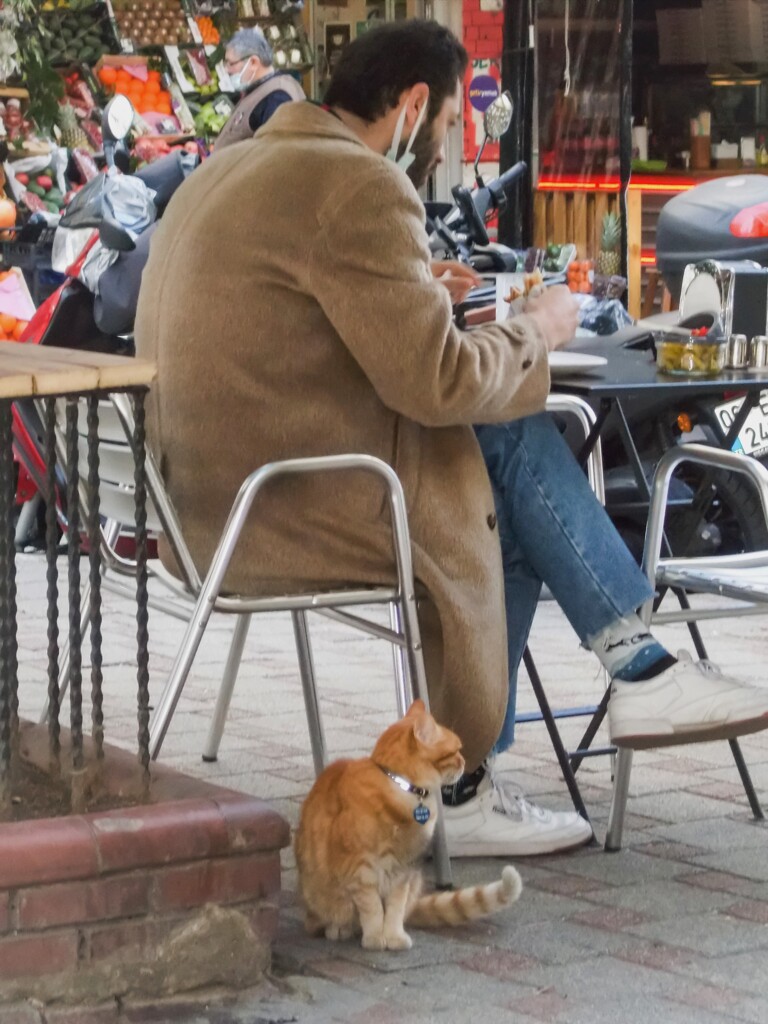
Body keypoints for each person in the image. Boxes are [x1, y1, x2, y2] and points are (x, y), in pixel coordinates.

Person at [135, 20, 768, 859]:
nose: (447, 146)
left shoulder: (242, 165)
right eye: (447, 128)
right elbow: (439, 383)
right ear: (413, 106)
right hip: (278, 502)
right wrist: (540, 326)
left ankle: (484, 768)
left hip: (201, 500)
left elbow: (285, 302)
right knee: (499, 443)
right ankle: (623, 673)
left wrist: (413, 282)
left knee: (495, 465)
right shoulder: (356, 184)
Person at [215, 26, 305, 150]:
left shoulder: (277, 97)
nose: (226, 69)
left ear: (253, 62)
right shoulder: (258, 89)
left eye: (231, 63)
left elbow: (277, 153)